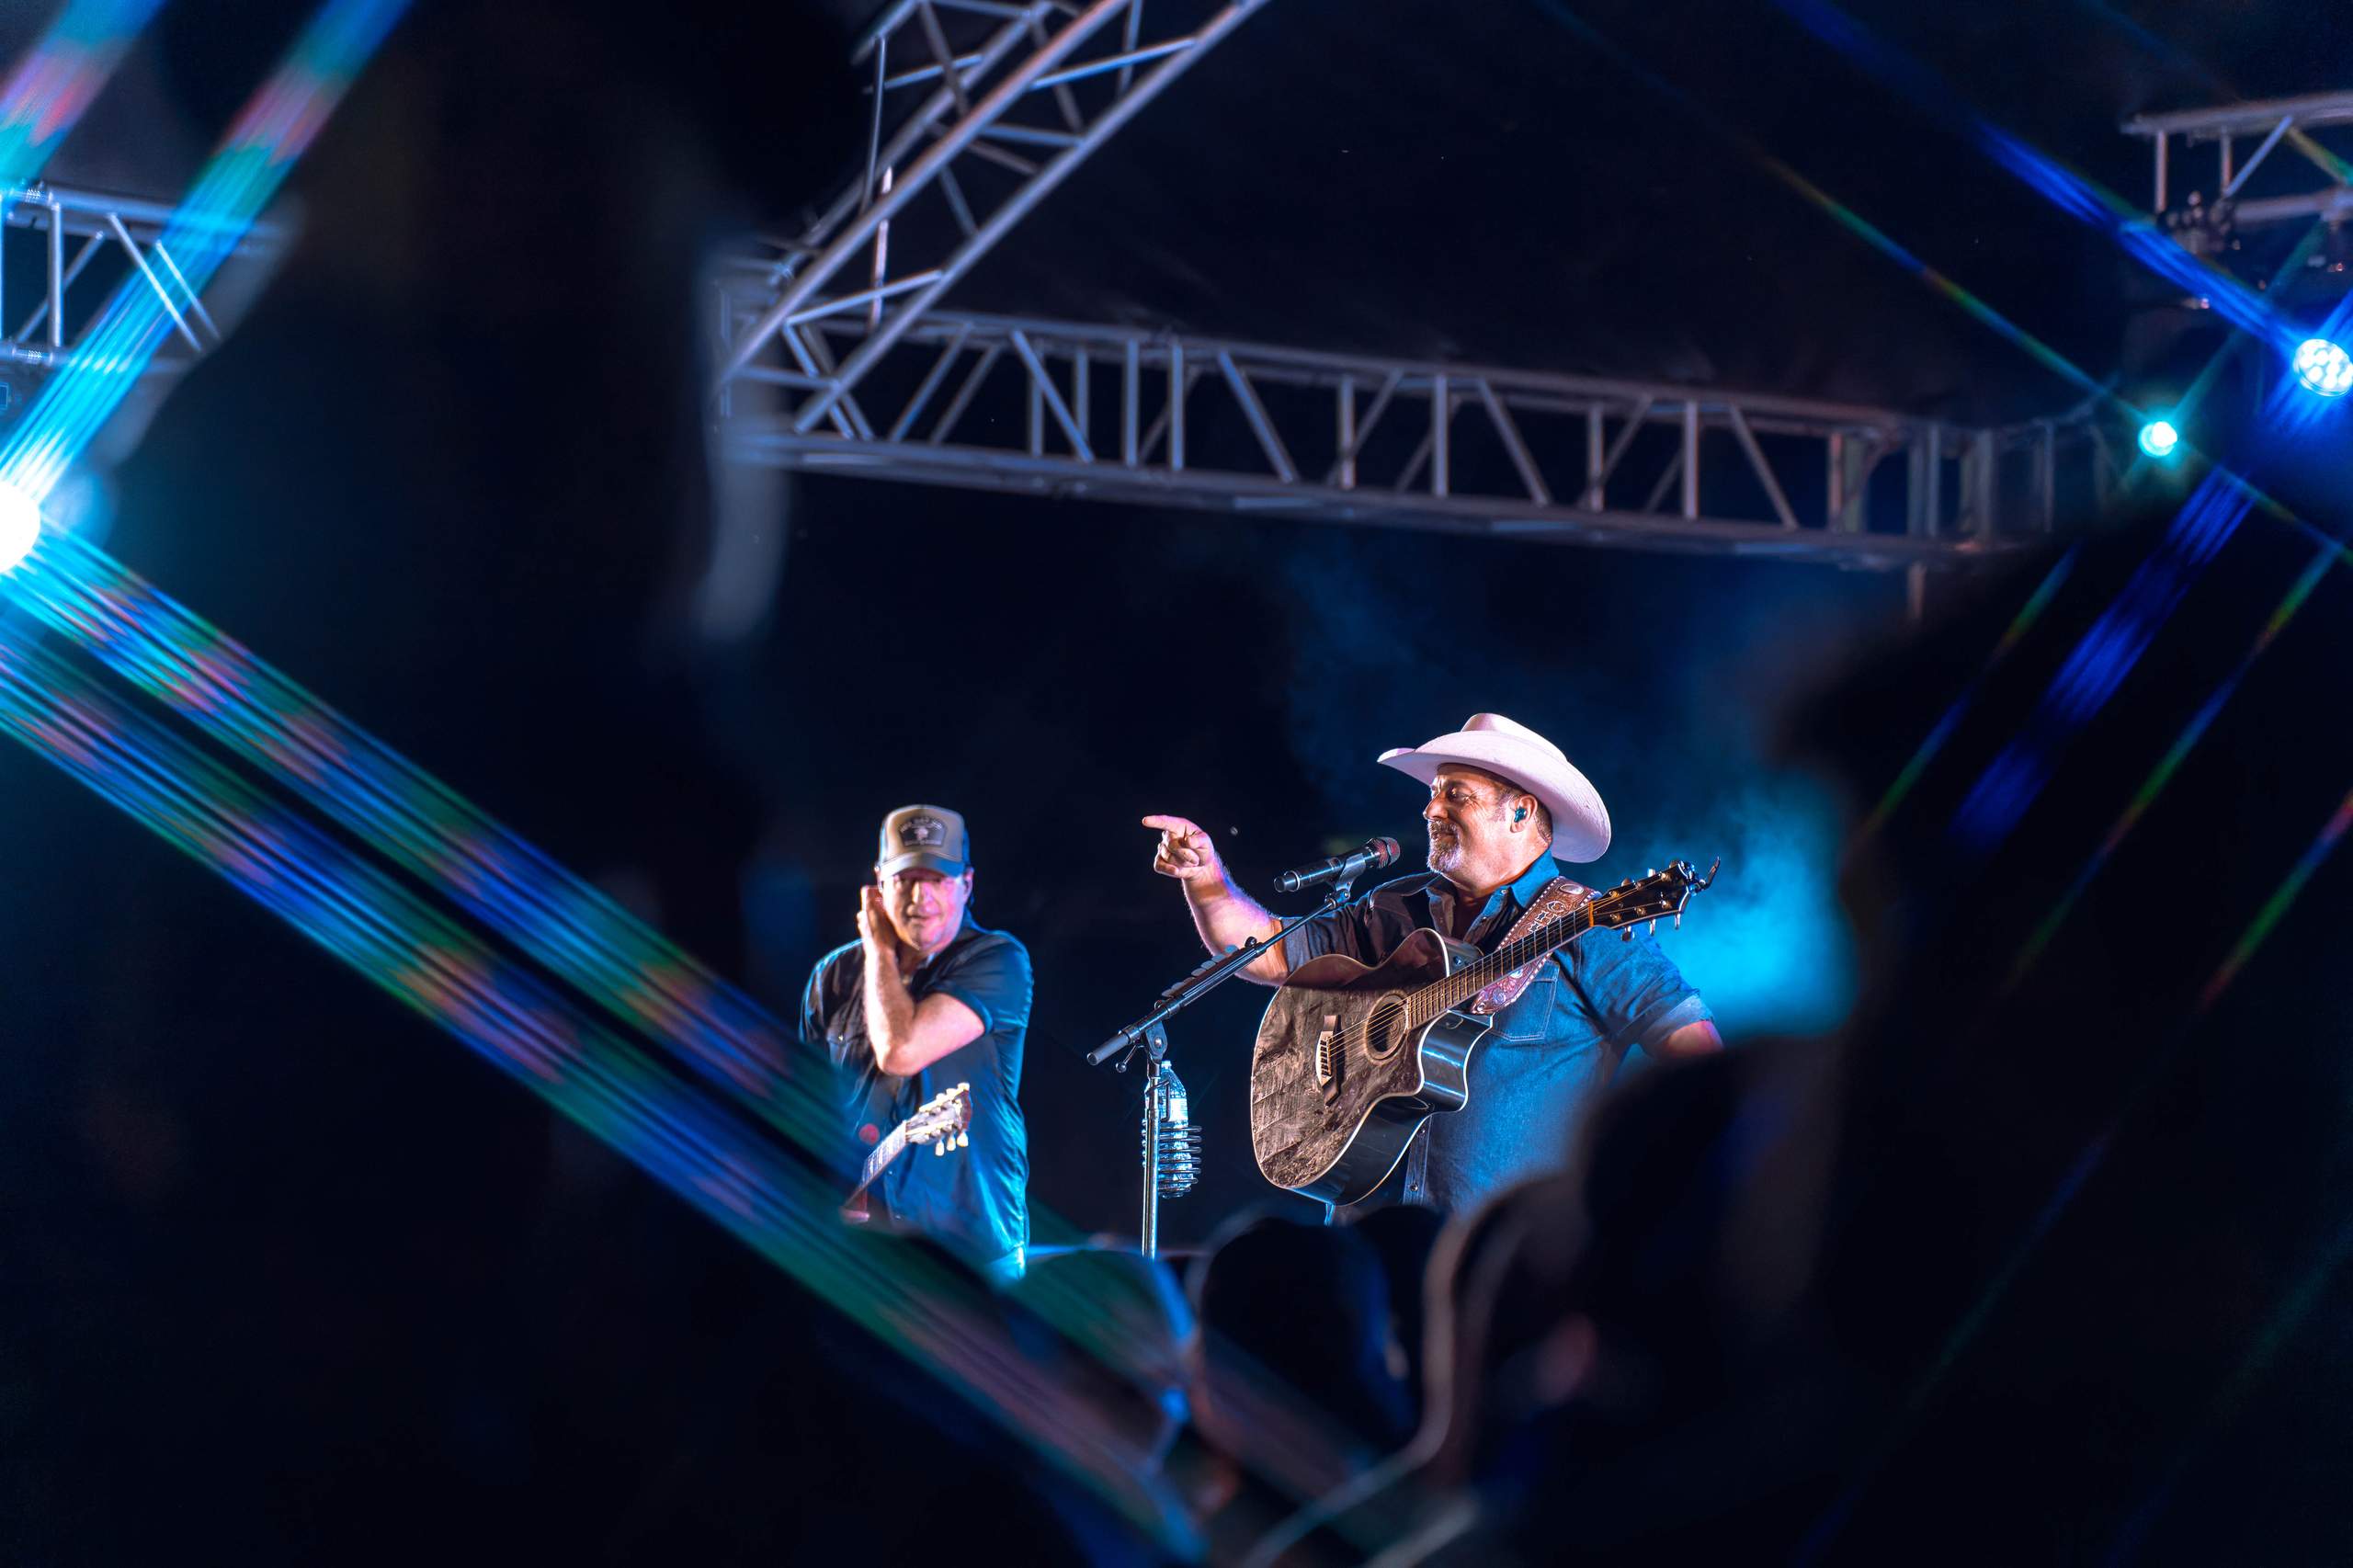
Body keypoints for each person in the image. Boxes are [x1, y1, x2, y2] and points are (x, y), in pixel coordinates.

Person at [1143, 712, 1721, 1218]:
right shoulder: (1395, 908)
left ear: (1520, 813)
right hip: (1372, 1229)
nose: (1430, 808)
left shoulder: (1593, 926)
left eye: (1455, 795)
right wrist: (1207, 880)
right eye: (1435, 792)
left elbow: (1698, 1059)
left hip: (1508, 1255)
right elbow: (1268, 953)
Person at [802, 805, 1032, 1279]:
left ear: (967, 884)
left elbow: (901, 1050)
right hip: (861, 1254)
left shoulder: (999, 960)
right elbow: (808, 1105)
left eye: (938, 880)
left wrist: (880, 949)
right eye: (906, 880)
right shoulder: (832, 975)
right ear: (878, 885)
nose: (920, 897)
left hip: (970, 1253)